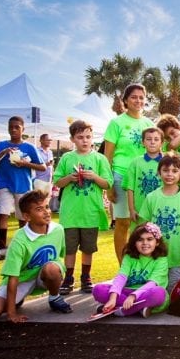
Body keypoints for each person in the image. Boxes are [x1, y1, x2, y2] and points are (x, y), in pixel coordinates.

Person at [0, 189, 72, 322]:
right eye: (39, 209)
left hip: (46, 274)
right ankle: (16, 301)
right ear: (27, 217)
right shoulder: (19, 239)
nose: (46, 212)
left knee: (51, 268)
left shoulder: (58, 229)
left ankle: (54, 297)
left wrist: (62, 277)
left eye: (47, 207)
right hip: (23, 278)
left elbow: (61, 256)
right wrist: (11, 312)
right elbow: (13, 276)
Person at [52, 120, 112, 294]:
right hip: (70, 213)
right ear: (72, 139)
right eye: (80, 137)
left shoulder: (100, 159)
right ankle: (68, 277)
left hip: (90, 212)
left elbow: (107, 184)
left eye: (88, 137)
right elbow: (57, 181)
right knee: (70, 248)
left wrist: (94, 176)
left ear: (92, 138)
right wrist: (69, 178)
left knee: (88, 248)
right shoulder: (66, 158)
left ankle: (86, 277)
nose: (84, 141)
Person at [103, 83, 155, 263]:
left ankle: (142, 264)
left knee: (143, 224)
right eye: (134, 97)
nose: (138, 100)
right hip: (120, 176)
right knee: (123, 223)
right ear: (125, 100)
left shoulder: (149, 123)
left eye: (142, 97)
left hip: (144, 179)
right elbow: (107, 156)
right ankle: (123, 267)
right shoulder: (116, 123)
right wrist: (108, 185)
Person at [0, 116, 45, 260]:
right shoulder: (1, 145)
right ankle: (1, 247)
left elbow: (42, 167)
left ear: (23, 129)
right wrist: (4, 152)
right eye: (11, 126)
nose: (13, 129)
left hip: (23, 185)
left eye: (17, 127)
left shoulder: (29, 147)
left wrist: (25, 164)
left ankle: (22, 247)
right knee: (3, 213)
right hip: (4, 183)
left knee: (23, 216)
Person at [137, 155, 180, 290]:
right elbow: (144, 226)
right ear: (159, 173)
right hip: (156, 255)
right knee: (155, 288)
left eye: (174, 171)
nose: (170, 174)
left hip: (178, 254)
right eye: (165, 170)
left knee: (173, 291)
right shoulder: (151, 197)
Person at [92, 222, 169, 318]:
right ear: (134, 243)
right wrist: (113, 298)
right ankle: (138, 309)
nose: (145, 243)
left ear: (157, 242)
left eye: (149, 239)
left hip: (146, 293)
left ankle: (122, 311)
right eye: (140, 240)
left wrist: (133, 296)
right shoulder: (129, 257)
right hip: (127, 292)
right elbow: (121, 277)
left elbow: (152, 284)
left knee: (159, 293)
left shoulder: (161, 260)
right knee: (98, 289)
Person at [123, 127, 164, 225]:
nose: (152, 142)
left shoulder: (167, 161)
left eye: (156, 139)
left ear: (162, 143)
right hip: (140, 210)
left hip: (161, 209)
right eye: (149, 139)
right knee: (139, 237)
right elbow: (130, 188)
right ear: (142, 142)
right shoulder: (135, 162)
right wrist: (131, 209)